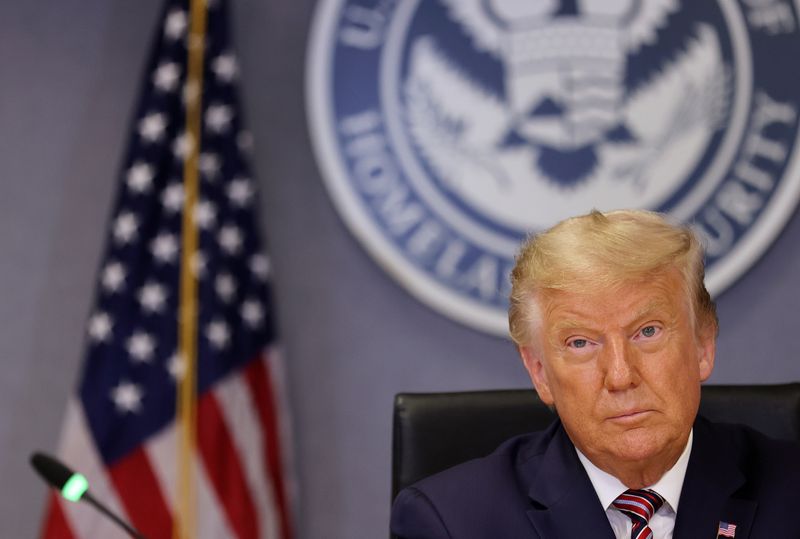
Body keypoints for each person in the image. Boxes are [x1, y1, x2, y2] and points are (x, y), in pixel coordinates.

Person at [390, 209, 800, 538]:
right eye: (581, 343)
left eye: (647, 332)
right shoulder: (451, 523)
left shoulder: (791, 496)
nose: (621, 376)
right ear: (539, 371)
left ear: (702, 346)